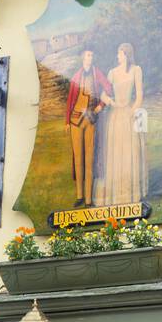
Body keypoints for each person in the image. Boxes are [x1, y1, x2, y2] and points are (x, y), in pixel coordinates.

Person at [95, 43, 148, 205]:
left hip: (128, 114)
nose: (117, 56)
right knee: (116, 152)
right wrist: (111, 102)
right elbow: (103, 94)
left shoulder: (135, 70)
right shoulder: (112, 73)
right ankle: (116, 194)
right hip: (115, 117)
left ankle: (129, 193)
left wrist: (132, 111)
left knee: (130, 152)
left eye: (119, 53)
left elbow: (139, 95)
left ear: (125, 54)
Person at [65, 46, 111, 207]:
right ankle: (79, 195)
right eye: (88, 55)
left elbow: (108, 88)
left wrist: (101, 105)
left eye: (92, 55)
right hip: (76, 120)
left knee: (89, 158)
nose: (90, 57)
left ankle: (89, 199)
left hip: (90, 118)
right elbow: (70, 99)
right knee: (78, 158)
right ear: (83, 57)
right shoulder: (76, 76)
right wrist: (66, 121)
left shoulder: (97, 73)